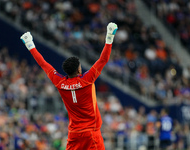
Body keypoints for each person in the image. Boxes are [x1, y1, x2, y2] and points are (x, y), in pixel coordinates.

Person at [20, 22, 118, 150]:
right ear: (78, 70)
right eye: (80, 66)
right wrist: (109, 37)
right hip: (91, 133)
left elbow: (43, 64)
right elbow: (103, 60)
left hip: (74, 134)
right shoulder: (87, 80)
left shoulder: (60, 83)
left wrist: (30, 45)